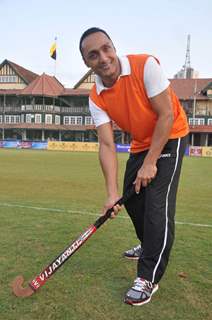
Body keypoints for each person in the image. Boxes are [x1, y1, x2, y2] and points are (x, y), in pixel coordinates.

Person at [79, 27, 189, 306]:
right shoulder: (96, 97)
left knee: (156, 205)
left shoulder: (145, 66)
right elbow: (106, 144)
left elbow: (165, 115)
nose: (103, 58)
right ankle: (149, 243)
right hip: (141, 142)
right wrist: (112, 193)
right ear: (86, 63)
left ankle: (148, 277)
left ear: (114, 47)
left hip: (171, 134)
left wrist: (151, 163)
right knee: (132, 199)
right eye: (93, 55)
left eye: (106, 48)